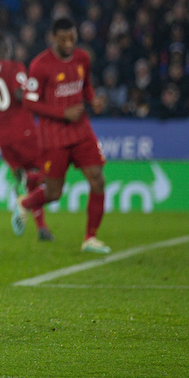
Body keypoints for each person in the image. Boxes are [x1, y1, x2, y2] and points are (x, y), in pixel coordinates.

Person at [18, 17, 110, 253]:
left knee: (98, 179)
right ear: (52, 39)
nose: (69, 42)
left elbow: (85, 85)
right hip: (53, 135)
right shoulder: (40, 65)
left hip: (81, 129)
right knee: (53, 192)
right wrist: (62, 112)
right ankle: (25, 202)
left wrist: (93, 100)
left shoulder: (83, 58)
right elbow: (29, 103)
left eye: (72, 37)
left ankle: (90, 238)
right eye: (63, 38)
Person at [0, 34, 52, 240]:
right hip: (23, 129)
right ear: (6, 48)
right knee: (51, 174)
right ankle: (23, 201)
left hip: (2, 137)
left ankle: (41, 228)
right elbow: (19, 94)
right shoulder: (14, 67)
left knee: (31, 181)